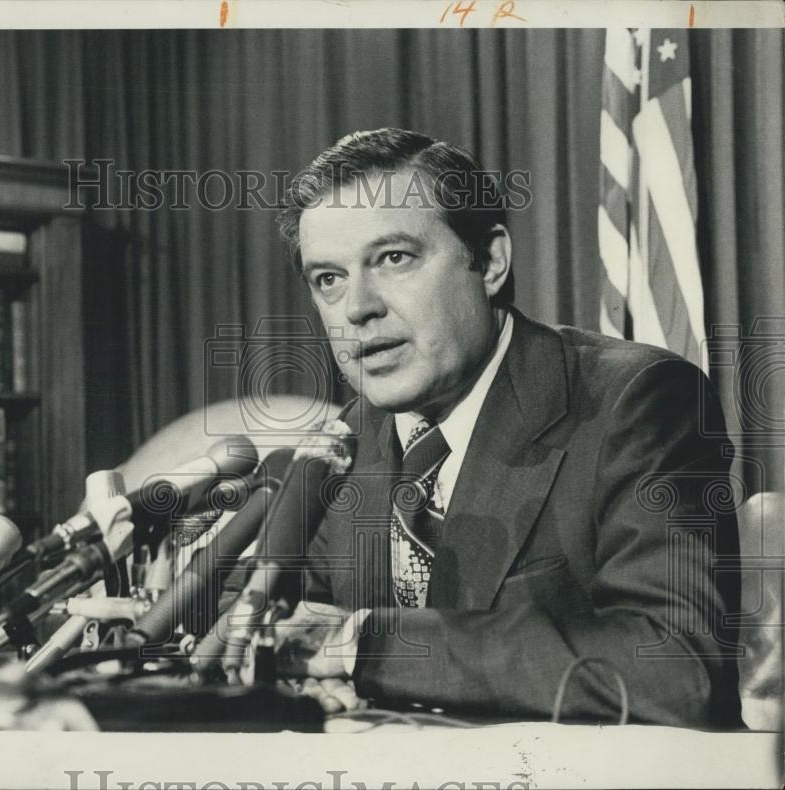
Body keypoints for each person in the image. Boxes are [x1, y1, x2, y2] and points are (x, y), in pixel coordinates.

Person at [268, 128, 742, 727]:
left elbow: (677, 668)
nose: (357, 307)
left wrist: (368, 645)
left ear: (489, 262)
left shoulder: (636, 401)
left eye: (393, 259)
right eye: (328, 279)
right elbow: (301, 622)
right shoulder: (349, 440)